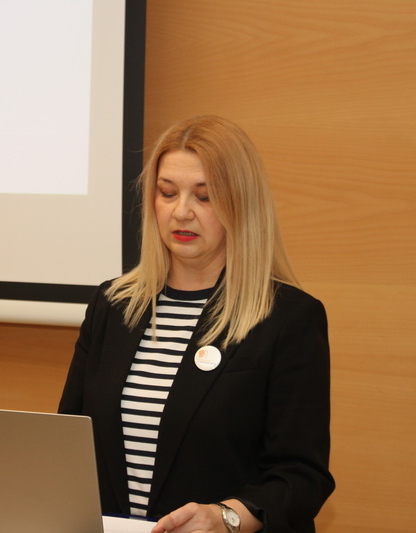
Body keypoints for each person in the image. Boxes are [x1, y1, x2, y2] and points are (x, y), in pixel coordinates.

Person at [58, 115, 334, 533]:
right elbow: (69, 443)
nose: (181, 212)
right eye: (167, 193)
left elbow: (302, 476)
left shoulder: (287, 318)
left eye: (204, 197)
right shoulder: (112, 305)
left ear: (241, 204)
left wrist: (226, 517)